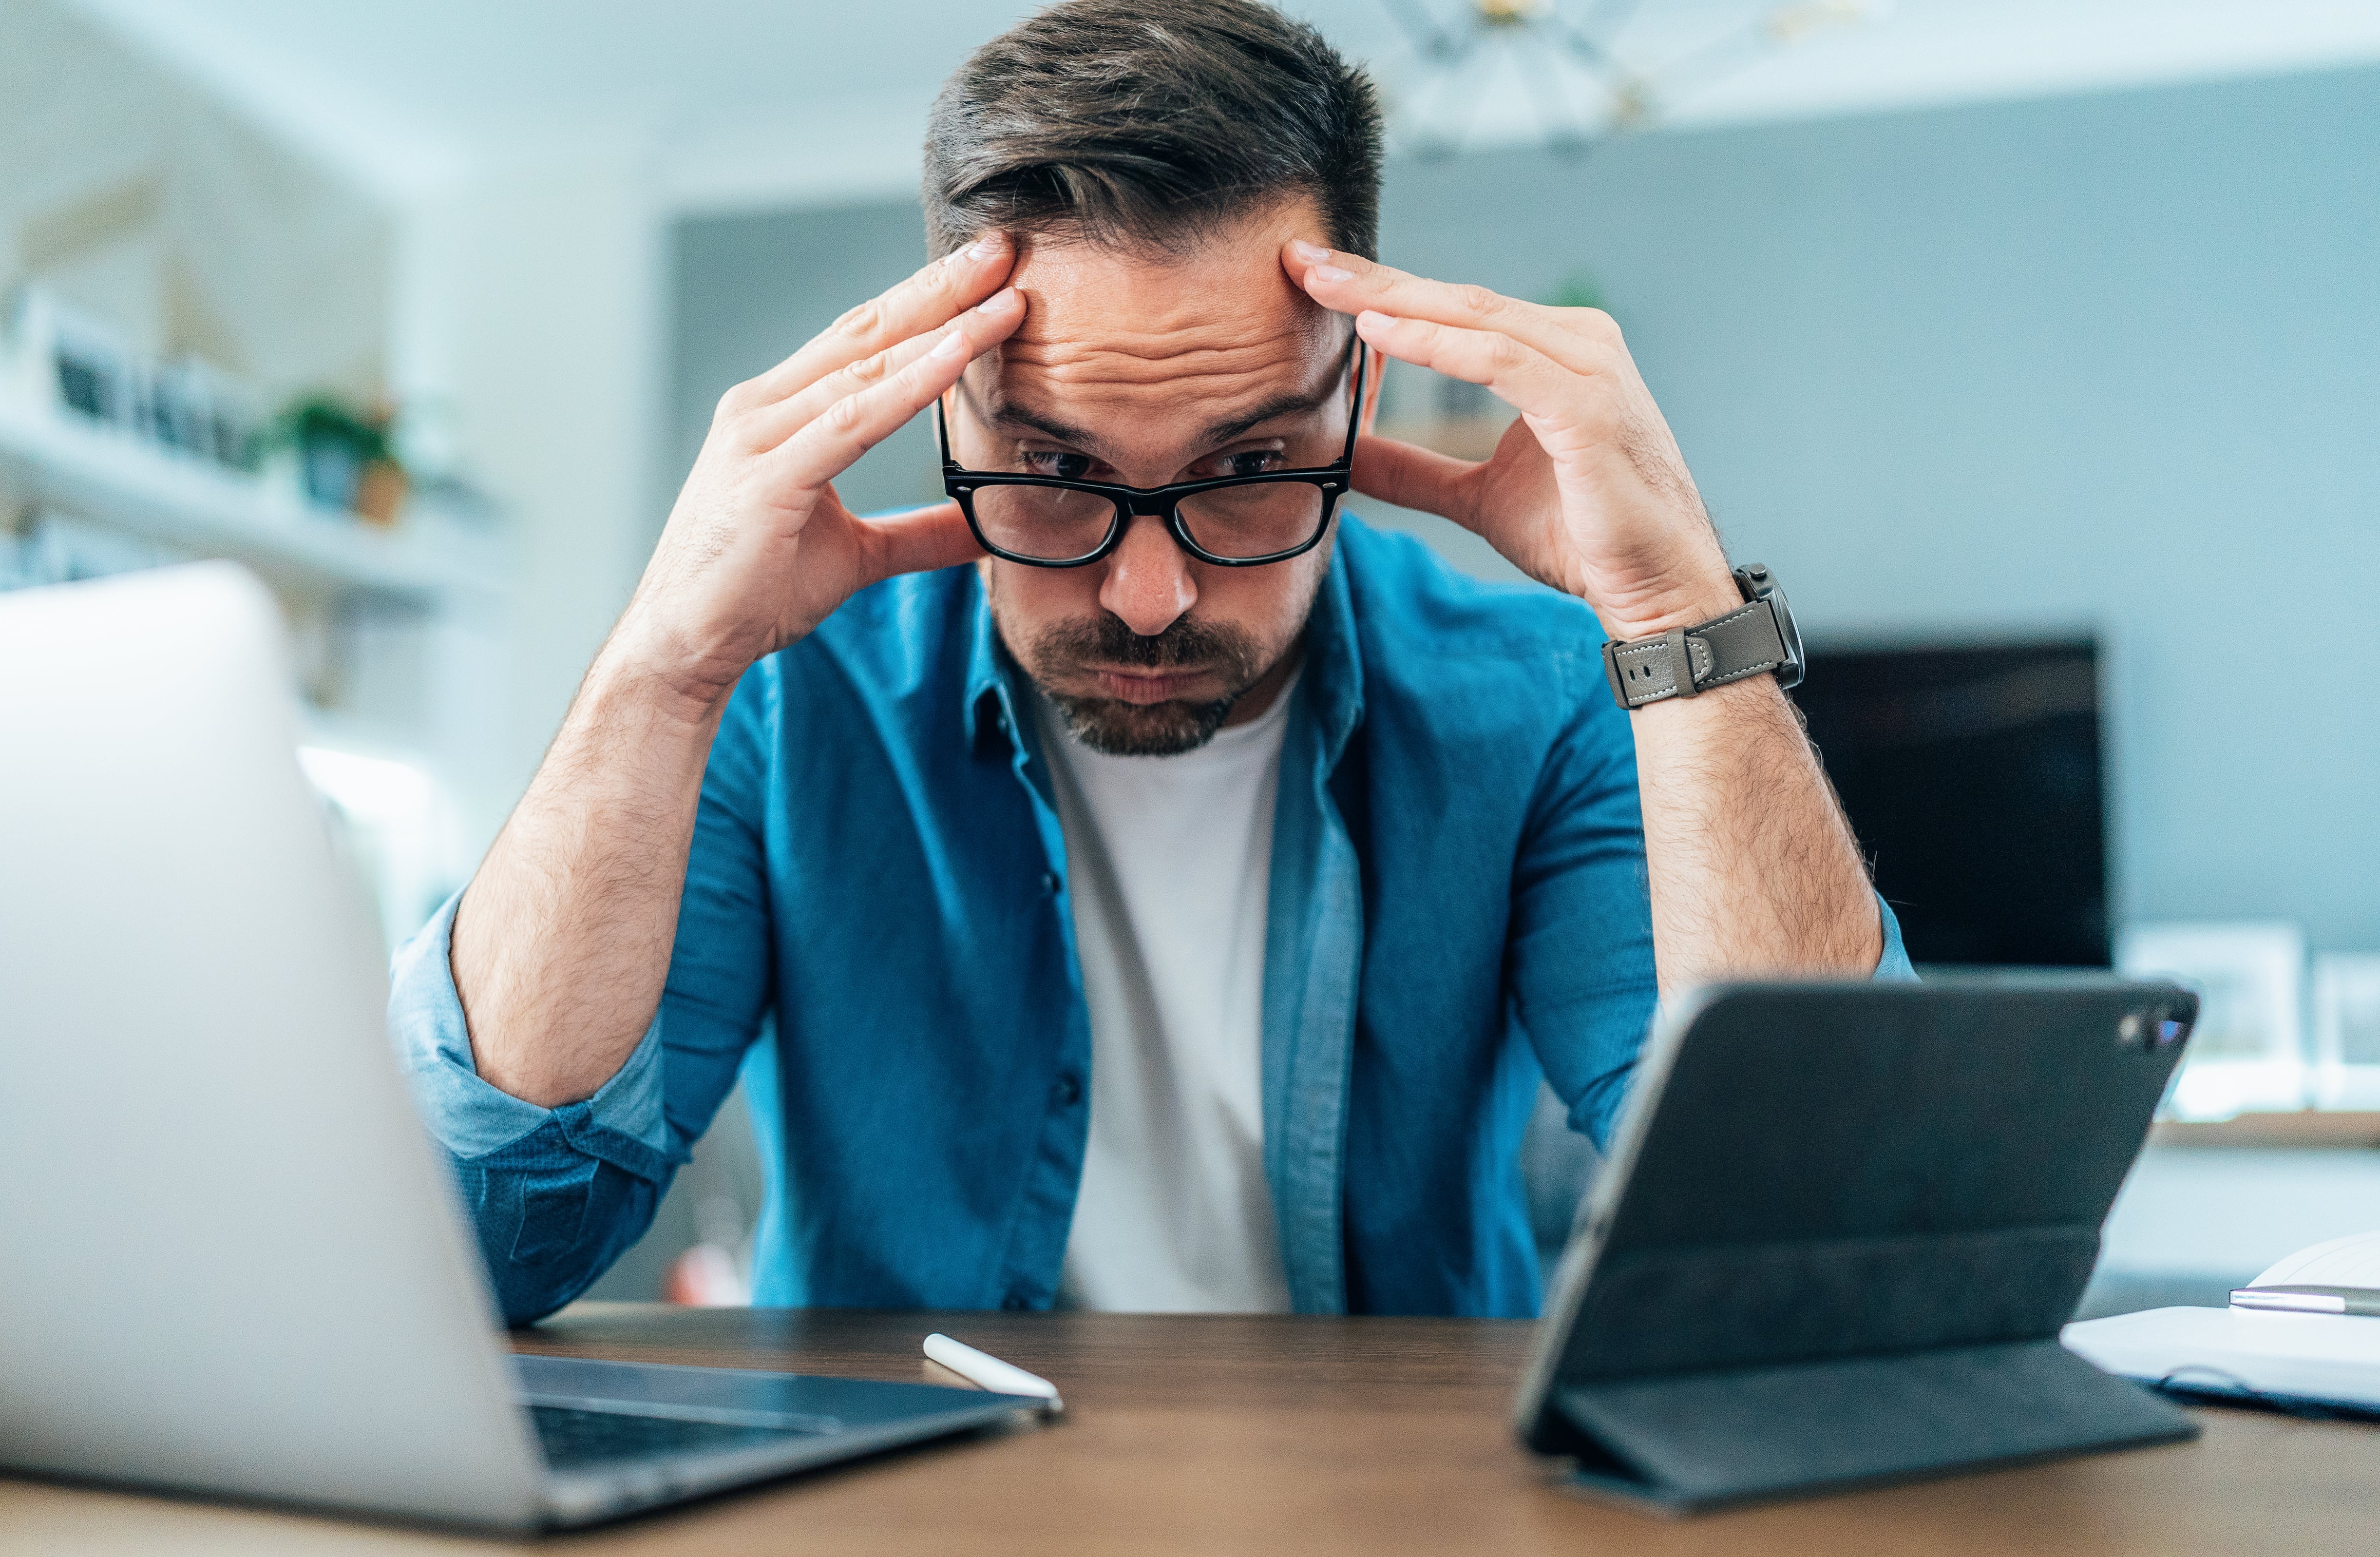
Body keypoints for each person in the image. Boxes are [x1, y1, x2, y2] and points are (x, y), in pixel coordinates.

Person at [389, 0, 1911, 1325]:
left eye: (1247, 465)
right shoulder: (788, 695)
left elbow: (1821, 1238)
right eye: (1052, 470)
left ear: (1354, 392)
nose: (1146, 590)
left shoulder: (1535, 700)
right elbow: (477, 1250)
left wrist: (1674, 615)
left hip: (1410, 1556)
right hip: (892, 1555)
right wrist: (662, 667)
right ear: (937, 412)